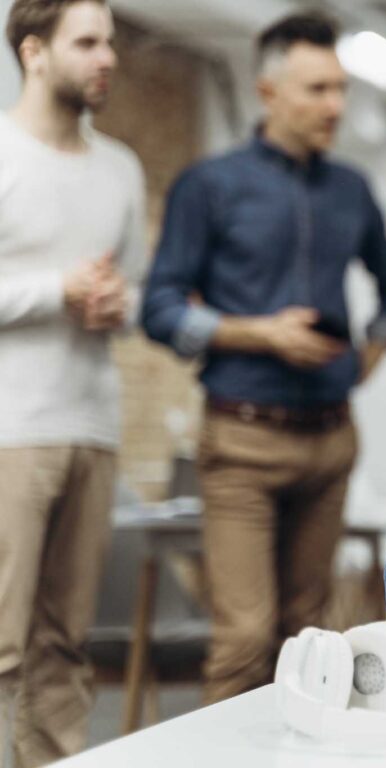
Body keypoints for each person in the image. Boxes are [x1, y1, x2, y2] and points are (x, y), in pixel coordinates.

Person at [142, 11, 386, 704]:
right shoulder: (210, 186)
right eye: (318, 89)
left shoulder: (352, 190)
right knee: (245, 639)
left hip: (330, 443)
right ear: (268, 92)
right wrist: (258, 334)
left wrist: (367, 360)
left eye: (341, 89)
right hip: (241, 443)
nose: (336, 106)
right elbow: (160, 307)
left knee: (310, 639)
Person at [0, 0, 146, 764]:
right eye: (86, 42)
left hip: (93, 428)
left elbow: (137, 296)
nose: (107, 57)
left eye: (110, 42)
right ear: (33, 51)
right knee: (2, 647)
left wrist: (120, 305)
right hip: (10, 434)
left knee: (66, 649)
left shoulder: (119, 166)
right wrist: (53, 288)